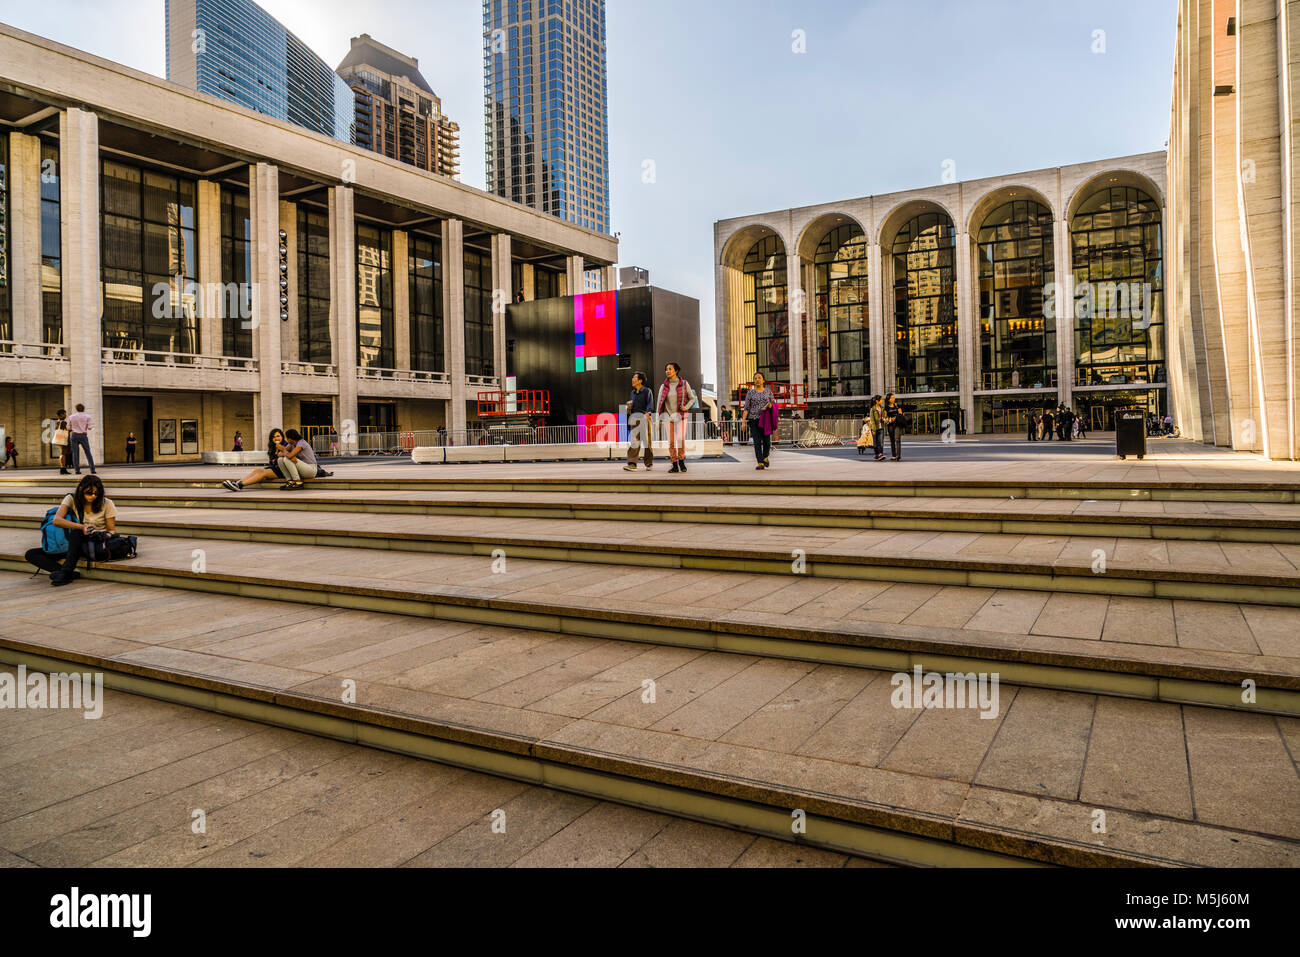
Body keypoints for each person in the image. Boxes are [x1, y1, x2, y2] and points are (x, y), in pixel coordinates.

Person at [25, 474, 116, 587]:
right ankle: (66, 573)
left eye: (96, 493)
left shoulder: (107, 503)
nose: (93, 496)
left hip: (93, 544)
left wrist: (103, 535)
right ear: (81, 490)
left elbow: (112, 530)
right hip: (74, 542)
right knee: (31, 554)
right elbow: (56, 520)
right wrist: (82, 527)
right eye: (89, 492)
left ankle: (65, 573)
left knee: (75, 535)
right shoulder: (72, 498)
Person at [656, 362, 697, 473]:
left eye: (670, 369)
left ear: (676, 371)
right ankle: (674, 464)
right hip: (667, 416)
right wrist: (658, 419)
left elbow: (692, 398)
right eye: (666, 369)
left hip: (680, 416)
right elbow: (659, 403)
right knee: (671, 442)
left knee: (680, 439)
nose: (667, 371)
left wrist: (686, 407)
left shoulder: (684, 383)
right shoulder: (663, 386)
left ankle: (682, 461)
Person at [222, 429, 288, 491]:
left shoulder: (286, 445)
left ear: (282, 436)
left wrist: (282, 449)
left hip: (283, 470)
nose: (276, 438)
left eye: (278, 436)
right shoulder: (273, 446)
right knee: (257, 470)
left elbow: (288, 458)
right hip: (276, 468)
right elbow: (272, 462)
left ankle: (240, 485)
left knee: (263, 472)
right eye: (274, 437)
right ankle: (236, 483)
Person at [744, 372, 776, 470]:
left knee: (767, 441)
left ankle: (765, 456)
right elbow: (746, 408)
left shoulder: (768, 392)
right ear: (754, 381)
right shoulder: (750, 393)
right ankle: (760, 462)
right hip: (753, 420)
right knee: (757, 442)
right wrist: (743, 422)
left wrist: (770, 406)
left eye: (759, 378)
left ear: (763, 380)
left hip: (765, 420)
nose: (757, 379)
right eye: (755, 378)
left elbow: (774, 405)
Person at [624, 372, 654, 472]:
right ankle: (632, 464)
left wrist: (647, 413)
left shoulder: (647, 391)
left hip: (644, 418)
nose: (632, 379)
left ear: (640, 380)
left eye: (634, 377)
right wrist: (628, 408)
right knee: (634, 442)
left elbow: (650, 404)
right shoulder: (632, 393)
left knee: (647, 442)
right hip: (634, 419)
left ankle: (649, 463)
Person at [67, 403, 96, 474]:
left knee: (75, 453)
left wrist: (74, 428)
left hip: (74, 435)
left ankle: (77, 470)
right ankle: (92, 469)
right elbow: (89, 428)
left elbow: (68, 428)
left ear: (76, 409)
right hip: (83, 435)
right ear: (83, 408)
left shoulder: (71, 417)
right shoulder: (87, 416)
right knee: (88, 452)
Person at [884, 393, 904, 461]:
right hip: (890, 425)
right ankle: (894, 455)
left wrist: (895, 417)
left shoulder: (897, 405)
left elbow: (901, 413)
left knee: (897, 439)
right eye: (892, 398)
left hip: (898, 424)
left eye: (894, 397)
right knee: (892, 440)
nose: (893, 399)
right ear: (888, 399)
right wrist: (889, 419)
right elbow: (885, 417)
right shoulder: (886, 407)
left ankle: (898, 455)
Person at [53, 408, 70, 475]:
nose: (65, 415)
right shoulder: (63, 422)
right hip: (62, 440)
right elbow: (67, 429)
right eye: (64, 414)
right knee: (63, 454)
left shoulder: (58, 421)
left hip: (60, 439)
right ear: (61, 415)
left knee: (63, 454)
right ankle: (62, 468)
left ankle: (63, 468)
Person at [870, 396, 886, 461]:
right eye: (881, 399)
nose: (882, 401)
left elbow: (884, 417)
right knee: (875, 443)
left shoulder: (882, 408)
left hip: (881, 427)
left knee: (881, 442)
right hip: (875, 428)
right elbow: (872, 420)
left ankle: (880, 454)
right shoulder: (872, 409)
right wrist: (874, 429)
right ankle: (876, 455)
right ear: (877, 401)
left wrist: (884, 418)